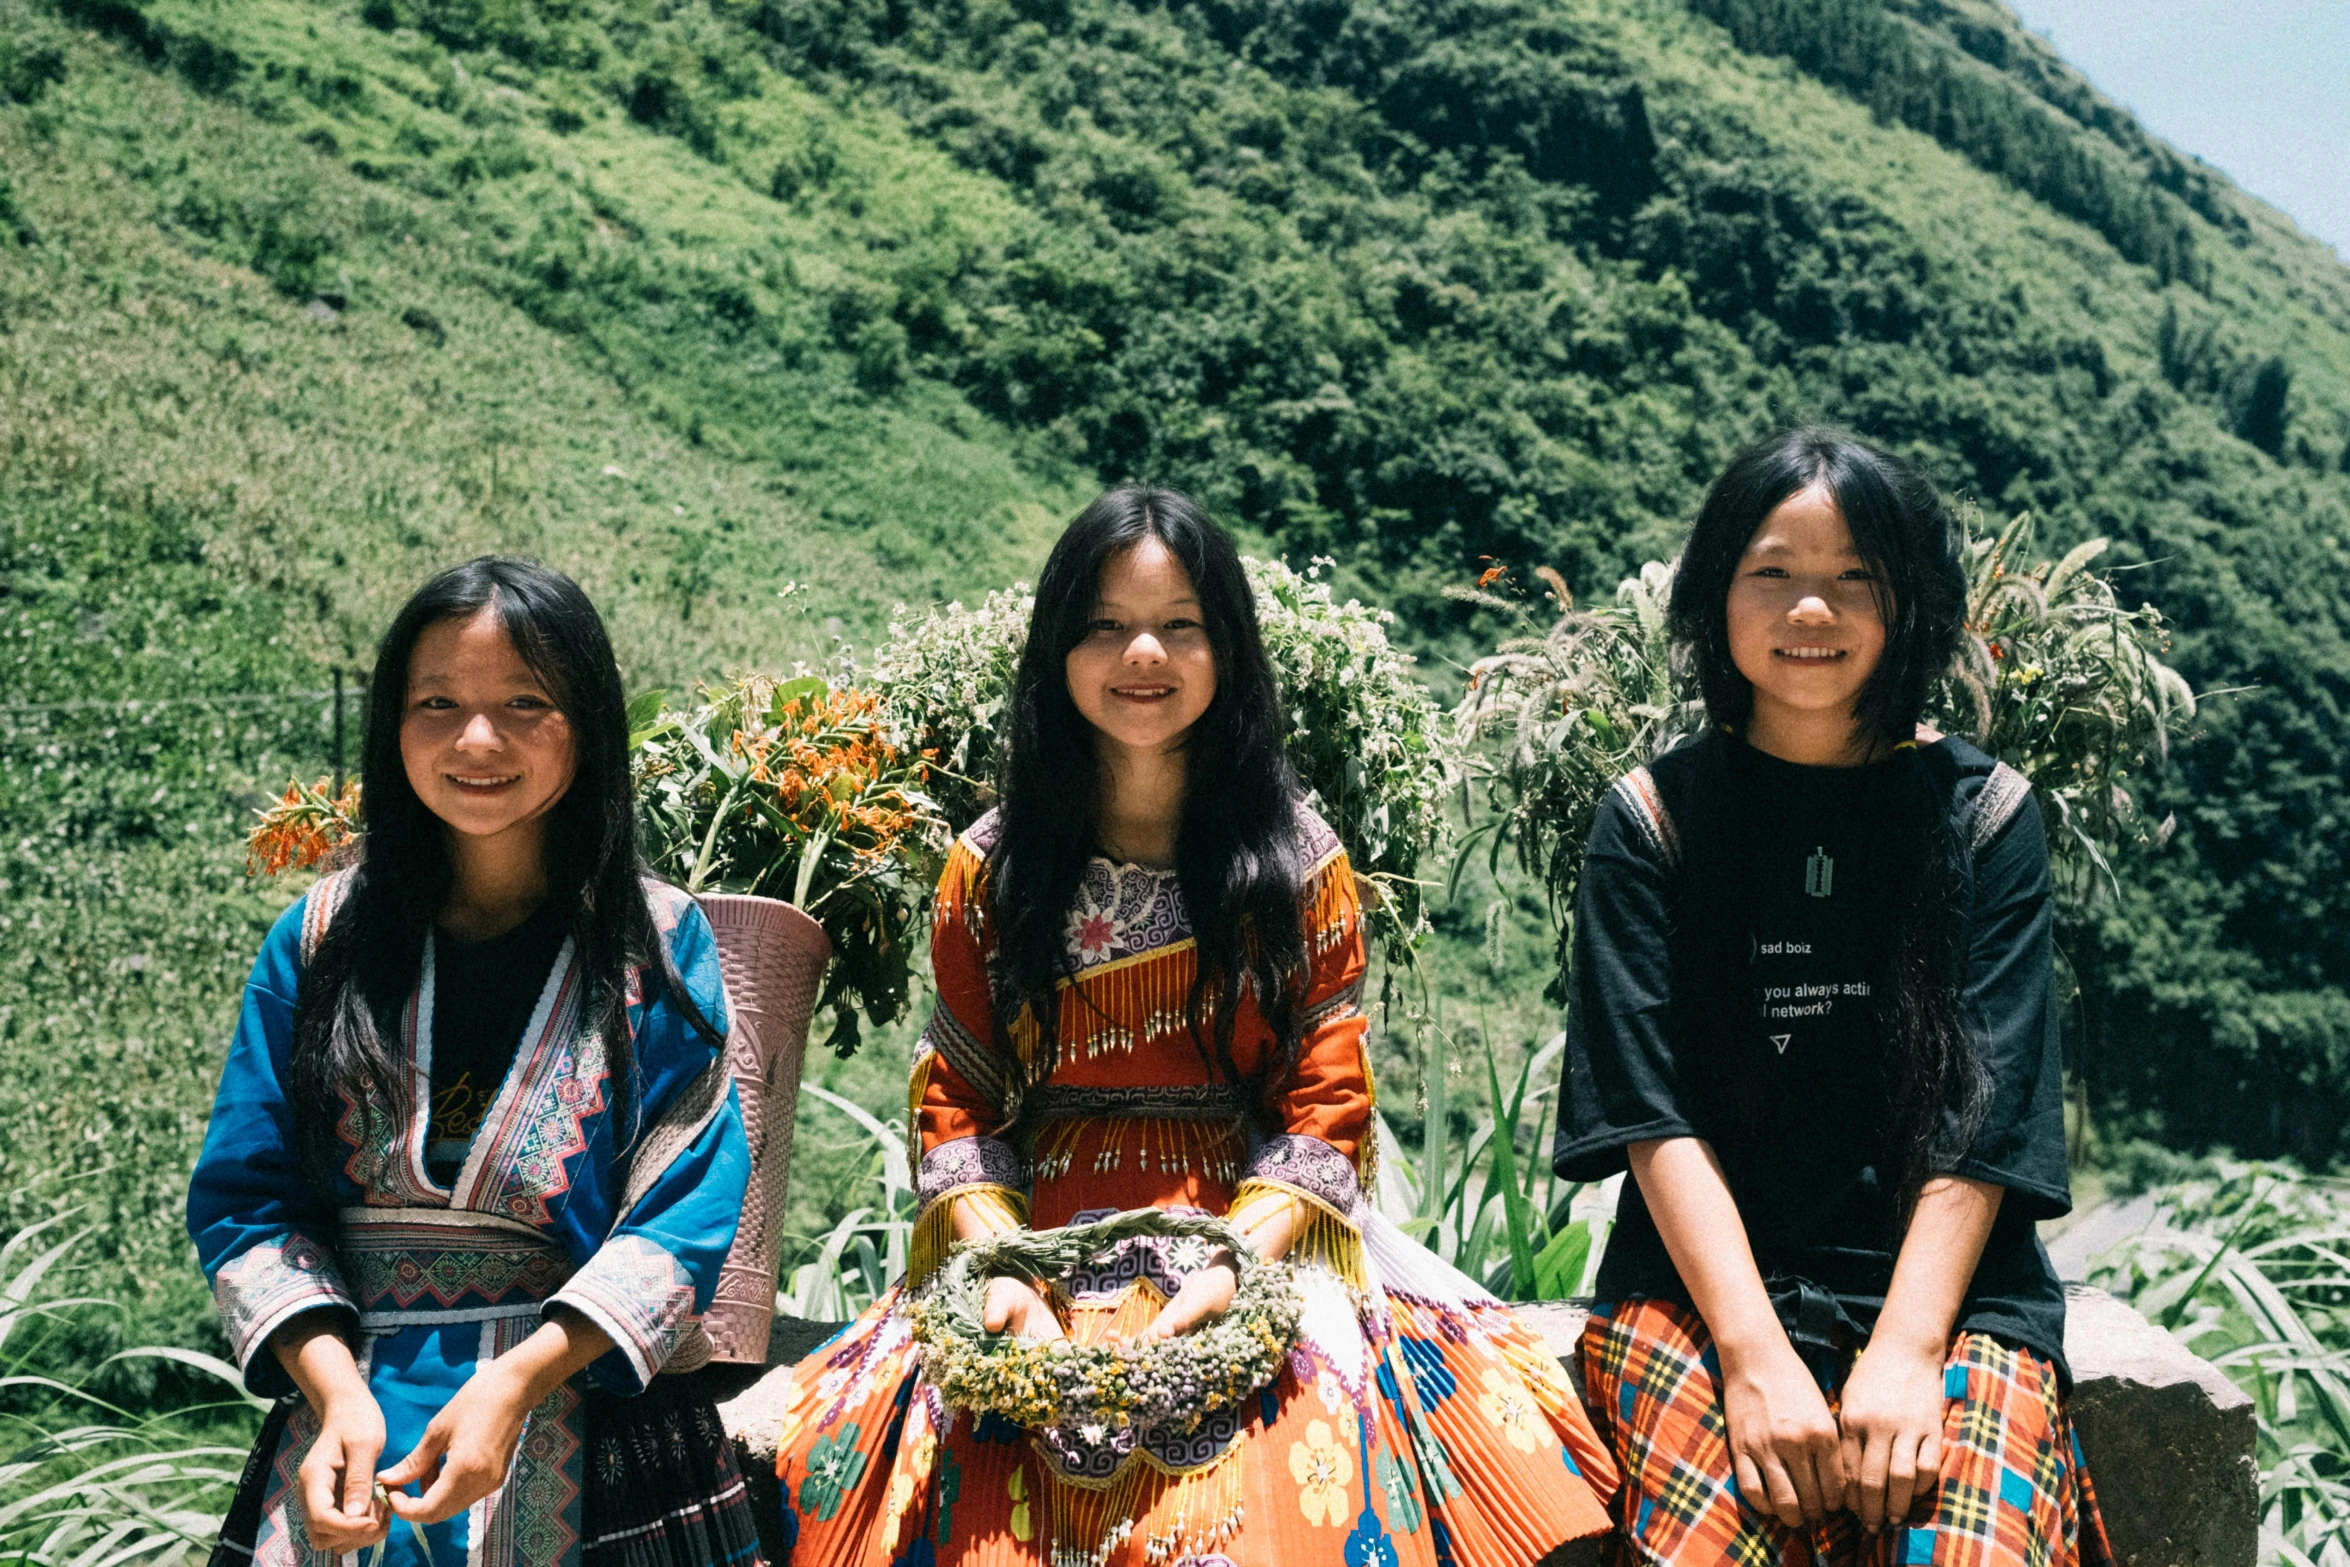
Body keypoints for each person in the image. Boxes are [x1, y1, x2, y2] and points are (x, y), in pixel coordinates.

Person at [770, 488, 1619, 1566]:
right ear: (1056, 651)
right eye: (1104, 626)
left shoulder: (1298, 867)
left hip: (1247, 1218)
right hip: (1032, 1233)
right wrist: (1010, 1277)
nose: (1143, 654)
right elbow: (959, 1104)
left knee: (1292, 1477)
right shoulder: (989, 871)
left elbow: (1326, 1101)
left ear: (1228, 651)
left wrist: (1235, 1270)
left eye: (1181, 626)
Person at [1554, 428, 2113, 1567]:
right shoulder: (1650, 821)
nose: (1811, 610)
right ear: (1713, 596)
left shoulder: (1985, 815)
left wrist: (1909, 1352)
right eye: (1773, 573)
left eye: (1854, 576)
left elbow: (1982, 1116)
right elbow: (1651, 1118)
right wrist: (1752, 1355)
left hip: (1952, 1308)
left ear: (1908, 605)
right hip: (1700, 1304)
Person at [188, 558, 764, 1567]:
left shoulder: (657, 945)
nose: (477, 739)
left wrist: (515, 1381)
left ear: (585, 723)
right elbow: (247, 1203)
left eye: (524, 702)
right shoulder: (318, 942)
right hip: (349, 1437)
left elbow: (687, 1204)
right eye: (437, 703)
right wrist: (335, 1396)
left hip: (601, 1430)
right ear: (391, 722)